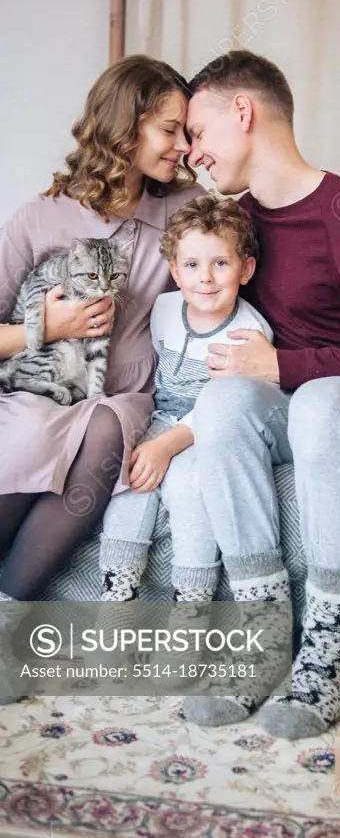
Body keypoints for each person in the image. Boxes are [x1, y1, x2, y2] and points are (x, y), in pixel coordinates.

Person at [181, 50, 340, 739]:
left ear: (244, 112)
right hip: (297, 397)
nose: (193, 153)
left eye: (199, 132)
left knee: (321, 400)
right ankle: (263, 633)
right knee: (222, 403)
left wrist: (283, 363)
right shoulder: (235, 226)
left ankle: (327, 644)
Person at [0, 55, 203, 635]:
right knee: (32, 432)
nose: (184, 147)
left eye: (187, 133)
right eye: (170, 130)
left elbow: (233, 266)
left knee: (106, 426)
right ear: (123, 126)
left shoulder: (183, 213)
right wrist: (50, 327)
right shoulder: (38, 219)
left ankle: (9, 614)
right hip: (38, 390)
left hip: (124, 394)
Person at [99, 193, 272, 607]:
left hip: (209, 431)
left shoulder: (250, 334)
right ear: (175, 272)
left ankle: (192, 604)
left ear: (246, 269)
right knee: (131, 483)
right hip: (159, 417)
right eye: (192, 265)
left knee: (191, 487)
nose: (206, 278)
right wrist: (152, 441)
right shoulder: (162, 309)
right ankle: (116, 600)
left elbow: (233, 405)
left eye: (221, 263)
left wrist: (168, 445)